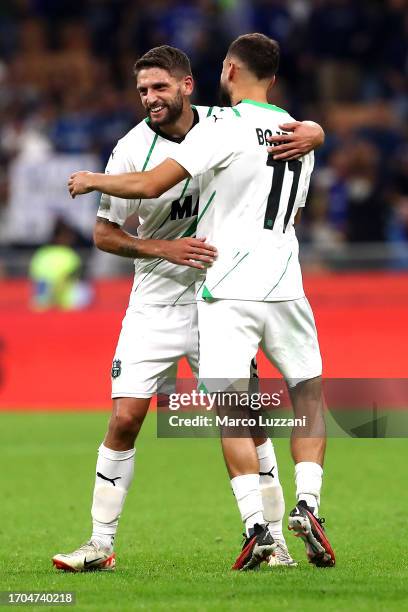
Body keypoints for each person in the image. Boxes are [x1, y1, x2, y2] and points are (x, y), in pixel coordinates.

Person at [58, 43, 326, 572]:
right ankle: (99, 544)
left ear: (187, 86)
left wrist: (315, 130)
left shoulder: (222, 124)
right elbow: (104, 234)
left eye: (159, 88)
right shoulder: (131, 150)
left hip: (219, 297)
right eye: (141, 91)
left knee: (247, 419)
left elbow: (277, 123)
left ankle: (273, 541)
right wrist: (164, 248)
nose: (150, 99)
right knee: (125, 419)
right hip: (154, 301)